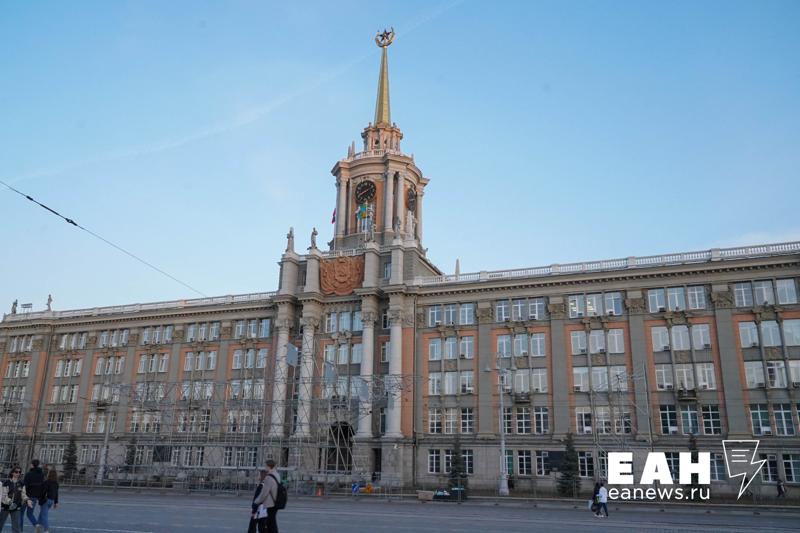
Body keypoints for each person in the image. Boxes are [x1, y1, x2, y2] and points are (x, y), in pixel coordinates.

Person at [0, 467, 32, 533]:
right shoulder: (6, 483)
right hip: (5, 507)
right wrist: (10, 502)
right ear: (12, 472)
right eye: (16, 472)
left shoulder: (21, 484)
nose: (18, 473)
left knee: (16, 527)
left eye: (19, 472)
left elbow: (23, 494)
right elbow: (4, 495)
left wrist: (27, 500)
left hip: (16, 507)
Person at [252, 460, 280, 533]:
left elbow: (264, 493)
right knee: (272, 523)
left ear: (268, 466)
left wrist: (256, 502)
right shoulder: (277, 475)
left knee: (269, 524)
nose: (265, 468)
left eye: (265, 466)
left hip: (270, 504)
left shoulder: (268, 477)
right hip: (275, 501)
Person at [22, 460, 45, 531]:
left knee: (21, 513)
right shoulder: (41, 475)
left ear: (32, 465)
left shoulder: (29, 474)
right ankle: (36, 524)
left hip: (26, 496)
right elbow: (42, 486)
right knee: (30, 513)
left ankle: (20, 529)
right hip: (35, 496)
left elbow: (25, 485)